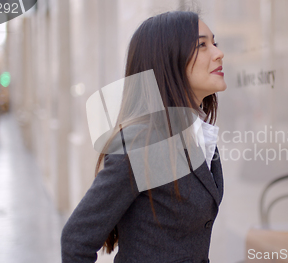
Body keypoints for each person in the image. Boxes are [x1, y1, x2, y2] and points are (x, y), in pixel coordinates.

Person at [61, 11, 226, 263]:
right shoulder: (141, 141)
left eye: (214, 43)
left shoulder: (199, 133)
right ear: (168, 59)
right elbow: (76, 240)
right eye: (202, 45)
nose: (218, 53)